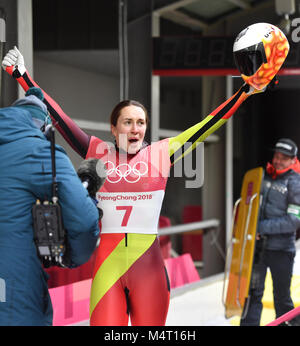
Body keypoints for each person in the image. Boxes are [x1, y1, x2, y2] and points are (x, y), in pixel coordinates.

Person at [2, 22, 286, 326]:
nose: (135, 128)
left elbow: (208, 123)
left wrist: (245, 91)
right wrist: (24, 77)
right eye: (127, 122)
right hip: (107, 269)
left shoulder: (162, 153)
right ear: (113, 128)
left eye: (140, 122)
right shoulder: (98, 152)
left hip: (148, 270)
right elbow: (60, 119)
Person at [0, 87, 100, 326]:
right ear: (43, 126)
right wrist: (67, 258)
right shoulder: (42, 153)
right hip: (14, 295)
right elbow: (85, 221)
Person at [240, 138, 300, 326]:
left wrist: (261, 228)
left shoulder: (295, 182)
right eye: (277, 155)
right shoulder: (262, 176)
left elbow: (294, 221)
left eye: (284, 158)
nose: (278, 160)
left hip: (282, 250)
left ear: (293, 160)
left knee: (281, 298)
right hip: (257, 249)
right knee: (253, 294)